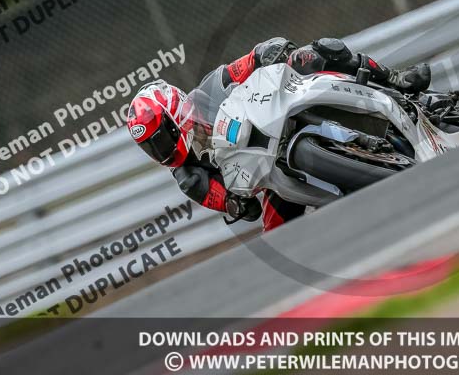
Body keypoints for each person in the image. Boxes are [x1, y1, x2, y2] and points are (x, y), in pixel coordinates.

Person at [126, 37, 430, 232]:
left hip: (276, 115)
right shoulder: (189, 177)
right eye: (150, 146)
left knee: (314, 53)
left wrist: (266, 53)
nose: (160, 149)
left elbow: (243, 66)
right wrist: (235, 204)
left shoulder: (207, 92)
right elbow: (234, 205)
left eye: (159, 137)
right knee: (276, 234)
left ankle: (395, 79)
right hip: (269, 176)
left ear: (173, 112)